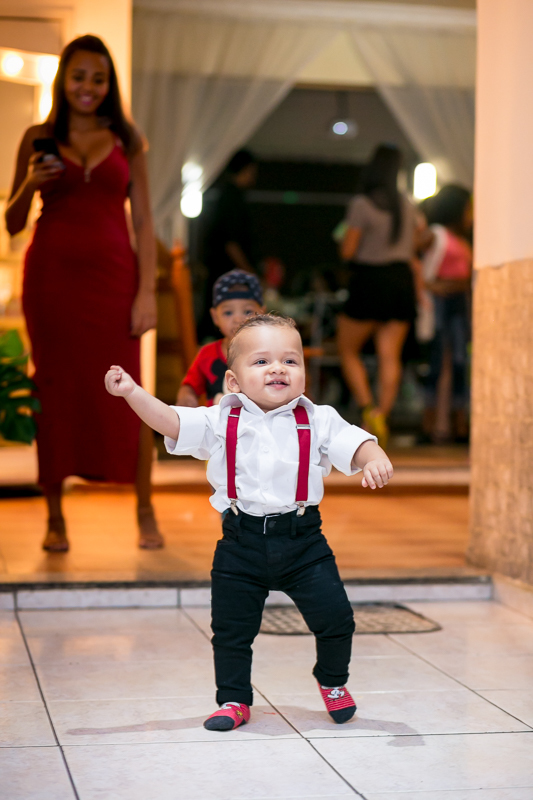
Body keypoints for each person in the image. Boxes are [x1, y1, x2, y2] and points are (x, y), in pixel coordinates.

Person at [105, 314, 394, 730]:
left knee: (337, 619)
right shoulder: (220, 419)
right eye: (261, 361)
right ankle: (234, 699)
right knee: (230, 630)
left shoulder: (318, 418)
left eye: (290, 361)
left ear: (304, 374)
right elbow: (171, 421)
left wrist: (374, 457)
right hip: (240, 542)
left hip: (303, 542)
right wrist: (132, 392)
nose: (278, 369)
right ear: (233, 381)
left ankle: (332, 681)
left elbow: (357, 442)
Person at [5, 35, 161, 552]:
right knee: (54, 392)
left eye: (98, 78)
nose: (88, 87)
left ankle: (145, 510)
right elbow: (13, 222)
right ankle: (55, 518)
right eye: (79, 77)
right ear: (63, 80)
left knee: (129, 392)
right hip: (51, 283)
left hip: (115, 282)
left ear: (109, 84)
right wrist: (31, 182)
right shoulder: (38, 136)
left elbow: (144, 219)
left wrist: (146, 292)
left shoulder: (127, 139)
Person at [336, 144, 420, 447]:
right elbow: (417, 242)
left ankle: (368, 409)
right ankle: (382, 416)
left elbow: (348, 250)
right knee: (390, 355)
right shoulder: (407, 204)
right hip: (401, 280)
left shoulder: (362, 204)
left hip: (370, 280)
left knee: (347, 349)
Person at [419, 185, 473, 443]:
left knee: (460, 363)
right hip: (440, 303)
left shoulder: (463, 238)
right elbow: (411, 258)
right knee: (438, 362)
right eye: (468, 207)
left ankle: (457, 424)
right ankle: (431, 425)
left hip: (459, 304)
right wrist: (430, 286)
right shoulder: (435, 234)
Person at [177, 269, 265, 408]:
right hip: (216, 422)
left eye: (247, 311)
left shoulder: (269, 352)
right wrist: (186, 397)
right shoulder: (207, 354)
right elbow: (189, 386)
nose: (238, 319)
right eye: (228, 312)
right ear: (215, 317)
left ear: (262, 314)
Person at [203, 149, 257, 282]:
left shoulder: (227, 195)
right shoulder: (232, 199)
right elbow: (231, 242)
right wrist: (248, 271)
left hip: (225, 274)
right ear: (246, 169)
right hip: (228, 276)